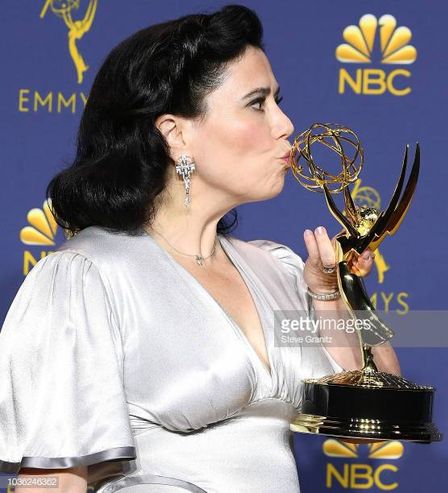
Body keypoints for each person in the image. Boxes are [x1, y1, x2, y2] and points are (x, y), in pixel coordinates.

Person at [0, 5, 400, 492]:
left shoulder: (277, 268)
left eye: (278, 101)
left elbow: (375, 418)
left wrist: (334, 293)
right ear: (176, 134)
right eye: (257, 104)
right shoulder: (87, 277)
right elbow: (50, 482)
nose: (285, 123)